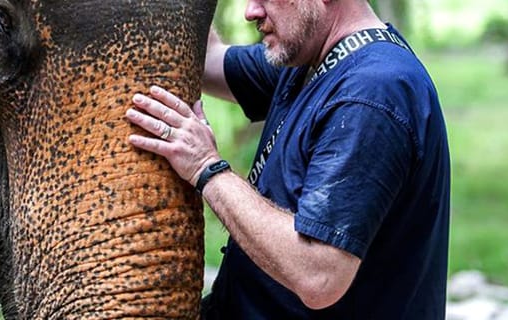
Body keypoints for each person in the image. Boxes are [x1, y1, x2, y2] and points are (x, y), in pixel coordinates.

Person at [124, 0, 450, 318]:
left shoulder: (370, 92)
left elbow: (319, 275)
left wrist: (206, 167)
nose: (251, 11)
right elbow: (205, 56)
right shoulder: (310, 62)